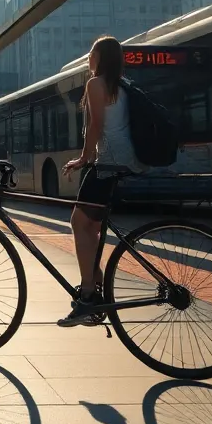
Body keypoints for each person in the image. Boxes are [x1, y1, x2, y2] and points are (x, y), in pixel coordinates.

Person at [58, 36, 147, 327]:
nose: (88, 58)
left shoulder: (96, 84)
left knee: (77, 222)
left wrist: (84, 158)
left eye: (91, 53)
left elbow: (96, 124)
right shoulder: (121, 84)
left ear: (99, 57)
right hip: (123, 160)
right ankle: (96, 283)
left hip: (106, 163)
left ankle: (87, 295)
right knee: (91, 227)